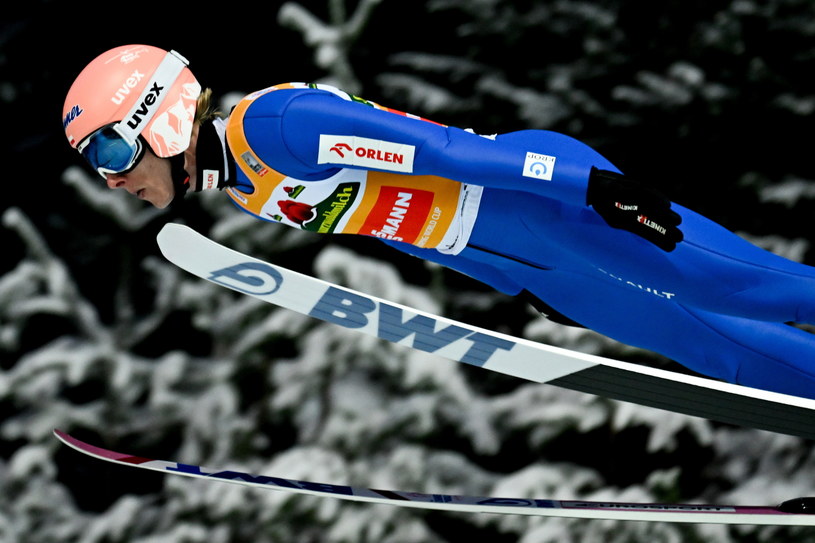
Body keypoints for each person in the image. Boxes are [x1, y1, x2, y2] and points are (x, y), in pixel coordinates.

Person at [62, 44, 815, 400]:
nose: (113, 174)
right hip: (527, 256)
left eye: (109, 145)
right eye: (93, 159)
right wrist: (523, 285)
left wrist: (592, 187)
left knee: (749, 289)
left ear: (155, 117)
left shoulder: (277, 126)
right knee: (710, 350)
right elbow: (404, 224)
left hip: (545, 203)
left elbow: (443, 152)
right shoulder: (245, 188)